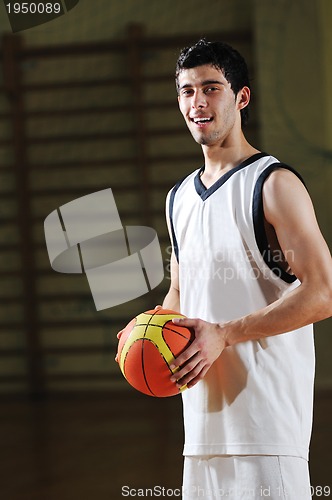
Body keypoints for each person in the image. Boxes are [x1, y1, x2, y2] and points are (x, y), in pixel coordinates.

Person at [161, 39, 332, 499]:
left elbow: (322, 293)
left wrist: (226, 333)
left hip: (267, 431)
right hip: (199, 433)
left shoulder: (273, 184)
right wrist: (149, 330)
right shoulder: (178, 199)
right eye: (186, 90)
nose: (197, 101)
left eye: (211, 88)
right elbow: (180, 294)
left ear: (241, 97)